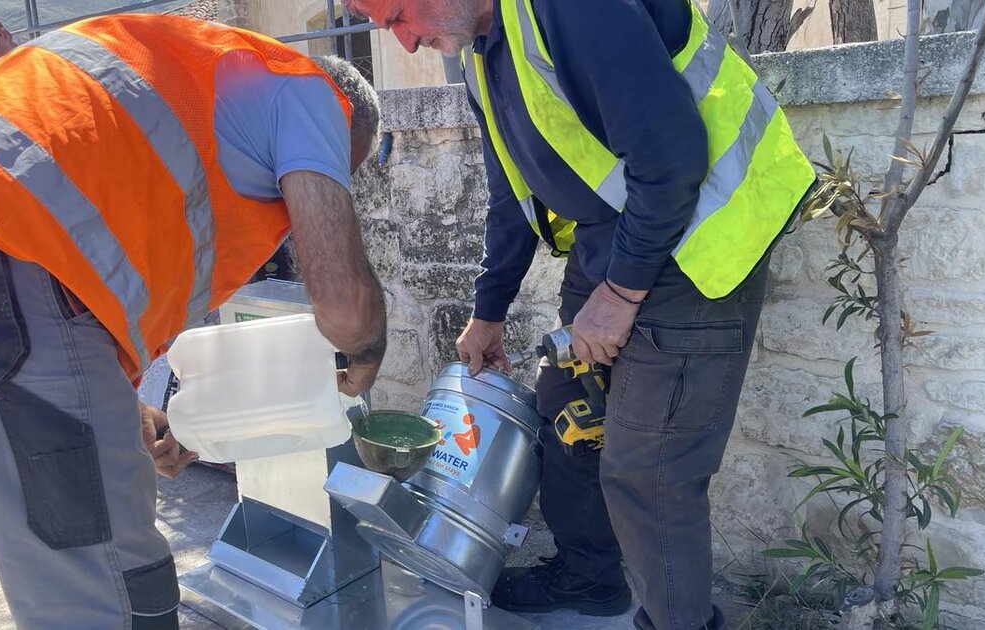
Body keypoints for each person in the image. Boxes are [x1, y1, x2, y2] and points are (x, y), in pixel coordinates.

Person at [0, 13, 386, 629]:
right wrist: (366, 352)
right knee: (110, 582)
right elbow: (344, 308)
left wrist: (117, 405)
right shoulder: (309, 92)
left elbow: (84, 242)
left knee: (51, 545)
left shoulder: (201, 72)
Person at [345, 0, 815, 628]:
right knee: (569, 411)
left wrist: (618, 297)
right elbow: (512, 197)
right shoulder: (483, 51)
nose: (404, 44)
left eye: (399, 16)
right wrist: (489, 312)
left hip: (702, 241)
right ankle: (590, 577)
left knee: (648, 469)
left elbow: (671, 159)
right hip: (615, 240)